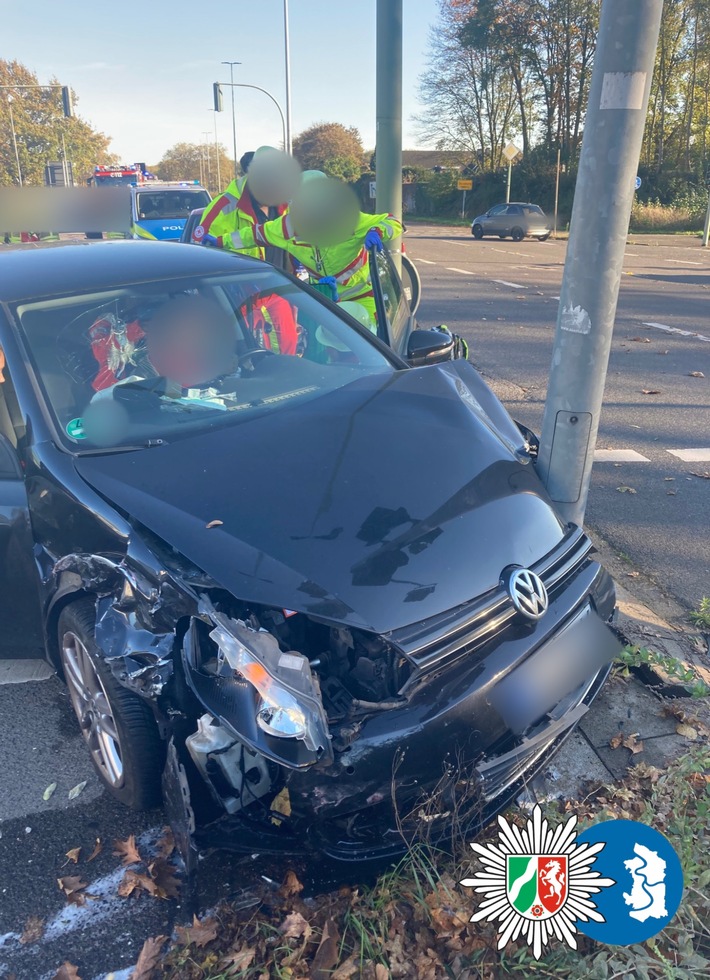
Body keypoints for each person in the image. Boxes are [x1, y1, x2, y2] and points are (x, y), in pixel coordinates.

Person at [228, 172, 403, 329]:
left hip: (362, 298)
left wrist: (376, 231)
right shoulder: (287, 227)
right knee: (327, 352)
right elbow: (254, 234)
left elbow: (393, 222)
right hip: (323, 300)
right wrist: (220, 241)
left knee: (371, 344)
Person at [195, 148, 299, 355]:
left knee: (287, 347)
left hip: (279, 288)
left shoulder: (284, 206)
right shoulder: (224, 207)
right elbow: (200, 256)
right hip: (238, 296)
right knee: (244, 352)